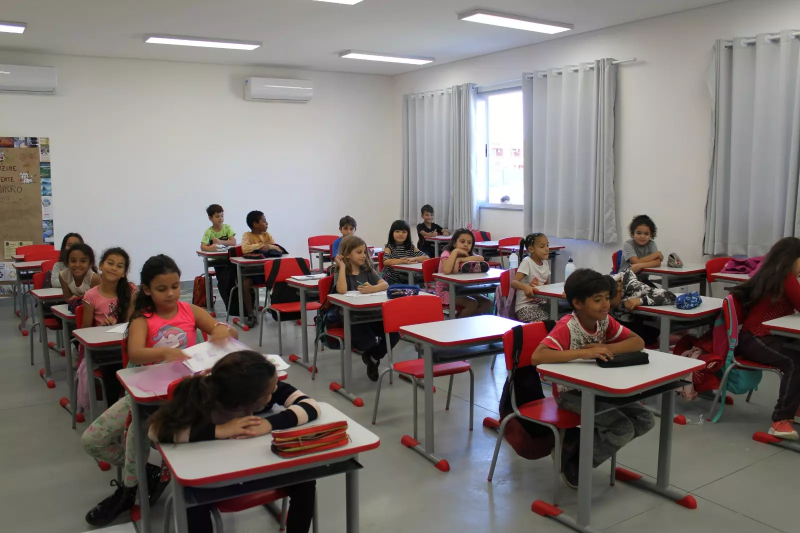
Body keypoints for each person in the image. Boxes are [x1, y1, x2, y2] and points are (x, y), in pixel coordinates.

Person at [80, 254, 238, 527]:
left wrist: (225, 331)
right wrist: (165, 352)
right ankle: (150, 472)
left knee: (133, 437)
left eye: (175, 286)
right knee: (92, 441)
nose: (171, 294)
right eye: (162, 289)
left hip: (182, 396)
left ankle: (129, 491)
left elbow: (227, 332)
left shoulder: (190, 311)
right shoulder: (143, 318)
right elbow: (137, 353)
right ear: (147, 290)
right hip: (143, 394)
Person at [148, 351, 318, 533]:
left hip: (256, 469)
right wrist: (219, 431)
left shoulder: (265, 390)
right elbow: (155, 432)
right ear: (246, 402)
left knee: (305, 481)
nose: (275, 390)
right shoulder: (202, 399)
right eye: (270, 390)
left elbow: (310, 406)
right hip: (213, 481)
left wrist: (269, 423)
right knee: (192, 502)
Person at [532, 268, 653, 487]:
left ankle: (572, 449)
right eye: (598, 300)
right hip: (571, 396)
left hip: (600, 389)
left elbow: (638, 343)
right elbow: (537, 356)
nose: (606, 304)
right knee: (622, 428)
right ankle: (574, 464)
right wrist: (583, 352)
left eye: (607, 298)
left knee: (646, 419)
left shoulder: (604, 321)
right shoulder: (568, 326)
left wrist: (605, 346)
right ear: (578, 303)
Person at [731, 237, 800, 440]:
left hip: (766, 336)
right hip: (755, 338)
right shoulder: (785, 277)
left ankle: (794, 408)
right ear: (792, 259)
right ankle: (780, 421)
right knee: (794, 362)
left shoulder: (776, 274)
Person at [333, 236, 396, 381]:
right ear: (348, 254)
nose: (363, 256)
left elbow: (384, 284)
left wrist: (372, 289)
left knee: (394, 333)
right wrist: (342, 267)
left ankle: (373, 357)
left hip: (372, 315)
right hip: (353, 318)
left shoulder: (367, 270)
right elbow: (342, 290)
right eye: (359, 252)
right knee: (368, 342)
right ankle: (370, 353)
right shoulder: (340, 271)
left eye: (365, 252)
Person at [81, 247, 138, 404]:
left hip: (125, 343)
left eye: (120, 266)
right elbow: (84, 331)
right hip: (103, 350)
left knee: (139, 360)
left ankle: (135, 404)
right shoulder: (91, 296)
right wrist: (101, 328)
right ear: (101, 266)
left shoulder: (131, 290)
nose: (114, 268)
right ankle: (114, 408)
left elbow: (131, 321)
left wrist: (119, 324)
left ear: (124, 273)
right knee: (114, 367)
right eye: (110, 263)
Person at [610, 269, 677, 347]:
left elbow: (670, 296)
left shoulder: (635, 288)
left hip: (647, 322)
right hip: (623, 319)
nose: (607, 308)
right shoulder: (603, 285)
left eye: (611, 306)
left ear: (619, 292)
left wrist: (641, 300)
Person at [436, 229, 493, 318]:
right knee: (472, 304)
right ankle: (458, 324)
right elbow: (447, 270)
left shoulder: (468, 254)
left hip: (462, 290)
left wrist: (460, 260)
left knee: (487, 303)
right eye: (462, 242)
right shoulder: (447, 253)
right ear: (454, 243)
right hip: (445, 291)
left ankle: (467, 321)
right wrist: (455, 252)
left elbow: (481, 258)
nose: (466, 245)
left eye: (469, 243)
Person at [240, 210, 281, 327]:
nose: (267, 223)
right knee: (245, 283)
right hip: (252, 272)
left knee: (281, 280)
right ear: (255, 224)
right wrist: (262, 246)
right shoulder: (247, 235)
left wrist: (269, 246)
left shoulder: (267, 235)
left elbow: (277, 248)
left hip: (267, 271)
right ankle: (250, 314)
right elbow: (245, 249)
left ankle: (277, 308)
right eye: (264, 221)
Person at [511, 233, 551, 323]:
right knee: (549, 320)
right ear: (531, 249)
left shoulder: (545, 264)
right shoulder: (527, 262)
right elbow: (513, 282)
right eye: (542, 246)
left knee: (563, 315)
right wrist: (525, 287)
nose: (547, 249)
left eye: (547, 245)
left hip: (541, 305)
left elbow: (548, 285)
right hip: (525, 308)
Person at [382, 219, 427, 285]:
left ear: (407, 234)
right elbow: (386, 262)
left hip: (408, 278)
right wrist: (403, 261)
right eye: (397, 231)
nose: (400, 234)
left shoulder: (410, 246)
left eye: (404, 232)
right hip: (393, 280)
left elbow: (426, 258)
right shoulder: (389, 247)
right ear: (392, 233)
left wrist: (414, 258)